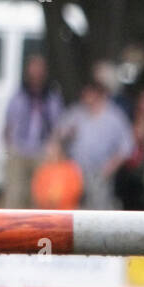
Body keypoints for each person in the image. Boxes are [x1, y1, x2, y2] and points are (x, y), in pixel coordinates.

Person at [53, 70, 135, 210]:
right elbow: (58, 135)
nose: (86, 97)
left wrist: (110, 167)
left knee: (99, 210)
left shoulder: (114, 117)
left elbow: (127, 146)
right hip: (75, 172)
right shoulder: (76, 113)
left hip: (100, 173)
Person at [2, 54, 65, 208]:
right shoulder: (18, 96)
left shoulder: (51, 98)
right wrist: (8, 148)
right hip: (19, 150)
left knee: (40, 198)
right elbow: (8, 125)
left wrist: (53, 148)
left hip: (41, 151)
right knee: (15, 196)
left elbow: (57, 127)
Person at [31, 139, 85, 210]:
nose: (50, 153)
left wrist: (59, 199)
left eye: (53, 150)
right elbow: (37, 190)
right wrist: (48, 200)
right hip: (46, 211)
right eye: (49, 150)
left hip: (67, 211)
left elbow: (76, 190)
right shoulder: (43, 170)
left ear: (60, 151)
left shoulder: (71, 169)